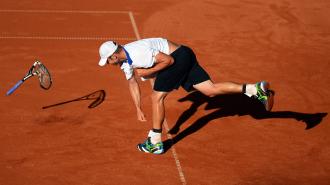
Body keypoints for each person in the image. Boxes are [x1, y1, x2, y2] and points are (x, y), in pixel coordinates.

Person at [98, 38, 274, 155]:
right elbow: (132, 83)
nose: (108, 64)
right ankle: (254, 89)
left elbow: (168, 61)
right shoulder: (125, 60)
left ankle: (155, 142)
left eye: (107, 61)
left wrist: (148, 71)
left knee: (156, 98)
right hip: (184, 54)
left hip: (177, 58)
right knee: (210, 90)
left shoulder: (137, 54)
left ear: (113, 55)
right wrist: (137, 107)